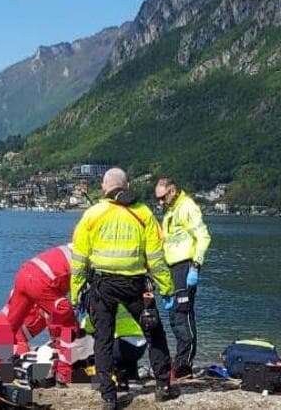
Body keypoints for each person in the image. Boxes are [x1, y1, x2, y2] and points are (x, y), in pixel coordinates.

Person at [70, 168, 178, 410]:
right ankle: (163, 386)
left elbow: (79, 259)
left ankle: (109, 396)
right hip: (136, 284)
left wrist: (75, 292)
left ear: (104, 187)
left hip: (102, 285)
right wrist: (167, 289)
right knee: (154, 333)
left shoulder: (92, 215)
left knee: (103, 340)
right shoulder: (143, 213)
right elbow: (156, 258)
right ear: (127, 186)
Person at [0, 245, 77, 384]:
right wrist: (57, 339)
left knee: (10, 328)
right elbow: (55, 319)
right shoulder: (88, 258)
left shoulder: (70, 248)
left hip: (25, 273)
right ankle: (64, 376)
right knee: (68, 326)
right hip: (42, 283)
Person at [154, 177, 211, 379]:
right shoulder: (170, 212)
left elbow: (203, 236)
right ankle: (179, 361)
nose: (160, 202)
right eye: (157, 199)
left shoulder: (187, 207)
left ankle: (184, 365)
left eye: (162, 198)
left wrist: (196, 265)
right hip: (172, 267)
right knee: (174, 316)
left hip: (185, 266)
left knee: (183, 314)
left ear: (172, 191)